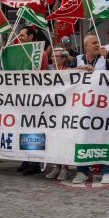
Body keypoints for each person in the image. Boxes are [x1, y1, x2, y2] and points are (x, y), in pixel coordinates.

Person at [72, 33, 109, 185]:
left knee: (103, 137)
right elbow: (67, 75)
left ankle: (106, 171)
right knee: (82, 137)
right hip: (82, 106)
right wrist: (80, 69)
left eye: (98, 42)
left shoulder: (104, 58)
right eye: (93, 43)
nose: (97, 45)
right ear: (86, 46)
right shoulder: (78, 59)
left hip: (101, 106)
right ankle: (82, 171)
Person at [45, 47, 72, 181]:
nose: (53, 59)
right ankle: (56, 166)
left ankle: (65, 168)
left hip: (65, 111)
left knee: (63, 139)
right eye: (52, 56)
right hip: (51, 111)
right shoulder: (49, 72)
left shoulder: (67, 71)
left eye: (56, 56)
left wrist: (84, 67)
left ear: (64, 59)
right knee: (52, 139)